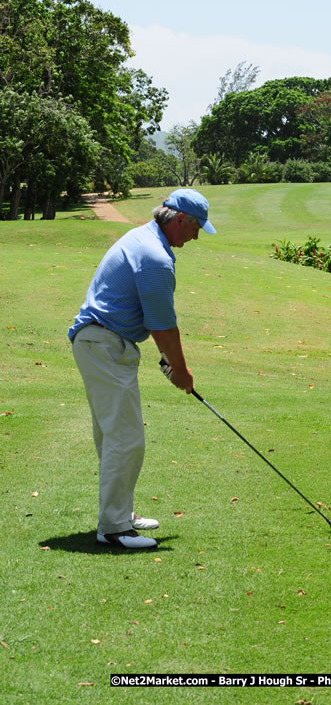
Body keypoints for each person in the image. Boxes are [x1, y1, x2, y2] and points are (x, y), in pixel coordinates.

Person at [68, 189, 216, 550]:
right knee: (126, 438)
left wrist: (173, 365)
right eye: (196, 227)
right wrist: (181, 371)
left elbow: (154, 323)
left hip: (101, 342)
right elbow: (163, 325)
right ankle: (115, 528)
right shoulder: (154, 258)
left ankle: (120, 513)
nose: (196, 236)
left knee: (113, 437)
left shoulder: (145, 238)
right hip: (104, 343)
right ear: (180, 219)